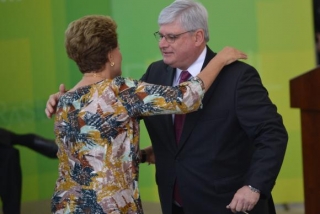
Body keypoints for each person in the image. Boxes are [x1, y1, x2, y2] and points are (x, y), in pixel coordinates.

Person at [45, 1, 286, 214]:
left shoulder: (238, 77)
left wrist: (254, 186)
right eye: (160, 35)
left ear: (198, 37)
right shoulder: (153, 74)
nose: (162, 44)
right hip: (169, 203)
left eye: (171, 37)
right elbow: (184, 99)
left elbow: (272, 134)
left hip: (225, 204)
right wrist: (221, 59)